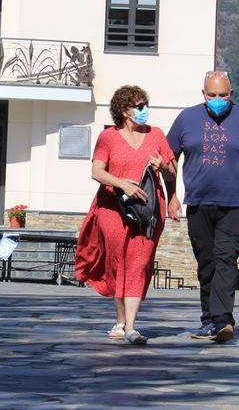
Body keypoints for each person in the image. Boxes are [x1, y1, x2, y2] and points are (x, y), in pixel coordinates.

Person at [166, 70, 239, 343]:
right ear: (203, 94)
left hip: (235, 204)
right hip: (199, 203)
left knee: (225, 258)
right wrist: (171, 196)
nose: (217, 100)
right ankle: (208, 320)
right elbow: (170, 160)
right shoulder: (186, 119)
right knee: (207, 262)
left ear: (232, 94)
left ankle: (223, 319)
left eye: (222, 95)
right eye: (212, 95)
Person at [75, 85, 178, 345]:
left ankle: (131, 326)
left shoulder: (156, 135)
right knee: (117, 263)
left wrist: (162, 166)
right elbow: (97, 172)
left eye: (145, 105)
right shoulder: (108, 137)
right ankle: (121, 319)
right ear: (124, 111)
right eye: (139, 107)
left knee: (139, 264)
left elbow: (172, 173)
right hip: (112, 209)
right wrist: (123, 184)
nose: (145, 111)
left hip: (147, 211)